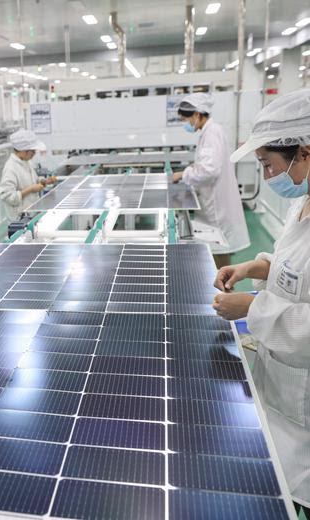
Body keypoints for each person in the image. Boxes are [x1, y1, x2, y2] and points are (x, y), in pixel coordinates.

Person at [212, 88, 310, 516]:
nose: (268, 175)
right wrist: (257, 266)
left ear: (303, 152)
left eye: (269, 164)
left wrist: (252, 308)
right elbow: (297, 267)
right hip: (284, 392)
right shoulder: (304, 203)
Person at [172, 93, 250, 268]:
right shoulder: (209, 131)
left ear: (198, 114)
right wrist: (194, 167)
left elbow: (209, 170)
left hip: (217, 207)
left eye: (187, 119)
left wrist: (183, 174)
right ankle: (220, 289)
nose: (187, 124)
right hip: (213, 201)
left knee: (219, 250)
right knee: (216, 249)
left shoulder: (212, 132)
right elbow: (208, 163)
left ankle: (223, 291)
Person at [0, 129, 57, 221]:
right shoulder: (10, 168)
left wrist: (43, 181)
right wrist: (30, 189)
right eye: (32, 151)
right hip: (19, 219)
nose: (34, 154)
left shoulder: (26, 162)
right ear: (23, 150)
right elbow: (7, 196)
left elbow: (33, 180)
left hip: (31, 213)